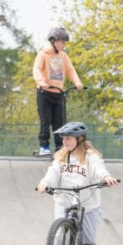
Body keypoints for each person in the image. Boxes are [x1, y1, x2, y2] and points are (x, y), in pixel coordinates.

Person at [36, 122, 118, 245]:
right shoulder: (60, 156)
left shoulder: (91, 156)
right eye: (63, 139)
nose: (64, 142)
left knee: (88, 244)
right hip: (63, 201)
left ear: (79, 139)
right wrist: (44, 183)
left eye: (68, 139)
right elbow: (53, 172)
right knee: (58, 235)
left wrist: (106, 177)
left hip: (88, 206)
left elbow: (98, 169)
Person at [33, 27, 83, 155]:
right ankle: (44, 147)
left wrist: (77, 82)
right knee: (45, 121)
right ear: (53, 41)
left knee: (59, 123)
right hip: (44, 93)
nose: (64, 45)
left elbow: (70, 70)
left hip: (59, 93)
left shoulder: (63, 56)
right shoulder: (43, 54)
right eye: (62, 42)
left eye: (65, 43)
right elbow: (36, 69)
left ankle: (60, 147)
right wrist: (41, 82)